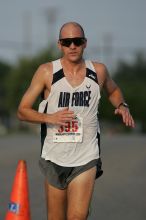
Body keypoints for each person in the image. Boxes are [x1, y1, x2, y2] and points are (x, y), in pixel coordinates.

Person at [17, 21, 135, 220]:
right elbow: (22, 110)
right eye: (67, 42)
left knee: (77, 217)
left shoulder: (98, 71)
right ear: (60, 44)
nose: (72, 46)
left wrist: (122, 106)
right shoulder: (47, 72)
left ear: (85, 43)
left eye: (77, 41)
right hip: (54, 157)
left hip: (86, 156)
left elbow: (113, 90)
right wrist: (49, 117)